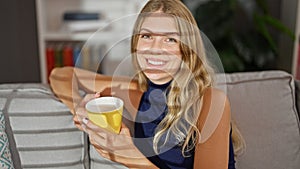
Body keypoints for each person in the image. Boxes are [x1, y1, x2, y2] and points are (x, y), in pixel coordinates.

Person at [49, 0, 245, 168]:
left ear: (187, 50)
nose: (155, 49)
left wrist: (127, 153)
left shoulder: (211, 102)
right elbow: (61, 76)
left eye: (170, 39)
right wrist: (81, 111)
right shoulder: (136, 93)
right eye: (147, 36)